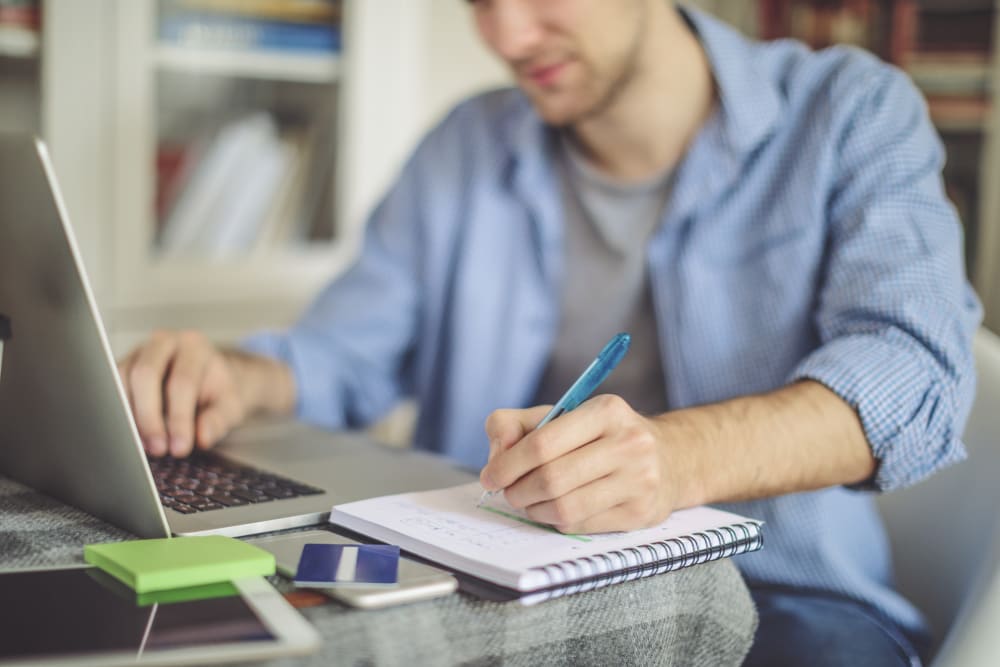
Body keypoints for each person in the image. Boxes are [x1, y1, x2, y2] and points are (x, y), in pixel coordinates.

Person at [118, 1, 982, 664]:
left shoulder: (851, 113)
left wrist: (677, 457)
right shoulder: (464, 145)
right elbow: (342, 353)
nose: (507, 34)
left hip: (787, 600)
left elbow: (914, 374)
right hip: (494, 587)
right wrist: (232, 375)